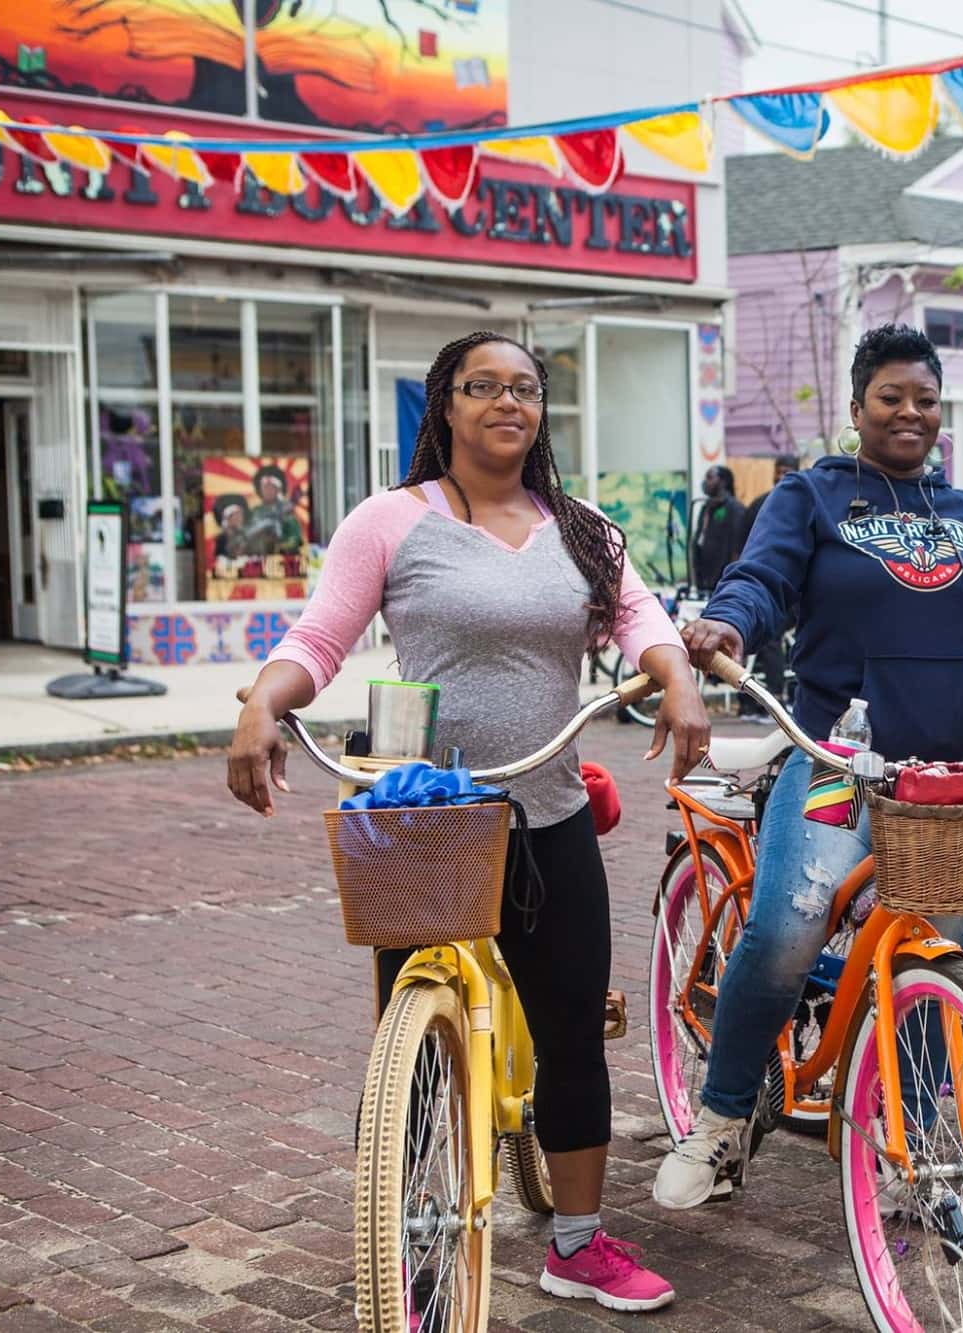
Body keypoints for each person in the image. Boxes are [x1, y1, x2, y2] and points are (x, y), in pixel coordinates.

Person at [224, 331, 707, 1315]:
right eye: (481, 385)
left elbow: (640, 618)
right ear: (443, 404)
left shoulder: (580, 528)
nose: (505, 402)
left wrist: (677, 677)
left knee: (571, 1026)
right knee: (410, 1032)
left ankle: (575, 1241)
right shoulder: (391, 521)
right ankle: (405, 1215)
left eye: (524, 388)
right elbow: (319, 636)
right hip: (425, 815)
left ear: (540, 411)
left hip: (550, 810)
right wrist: (260, 703)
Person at [653, 324, 963, 1208]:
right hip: (838, 754)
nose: (910, 412)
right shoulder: (813, 496)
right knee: (785, 934)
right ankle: (723, 1120)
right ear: (857, 408)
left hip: (947, 774)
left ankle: (913, 1149)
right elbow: (761, 580)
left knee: (940, 957)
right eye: (891, 396)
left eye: (925, 397)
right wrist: (729, 622)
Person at [737, 454, 800, 715]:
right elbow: (741, 550)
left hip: (797, 592)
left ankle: (777, 696)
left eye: (785, 471)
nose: (779, 476)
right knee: (765, 635)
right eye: (777, 471)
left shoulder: (805, 504)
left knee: (772, 637)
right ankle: (767, 699)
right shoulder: (760, 505)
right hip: (766, 590)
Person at [690, 464, 749, 596]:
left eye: (710, 477)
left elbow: (737, 549)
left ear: (723, 481)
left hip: (723, 581)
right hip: (704, 581)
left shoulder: (735, 509)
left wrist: (730, 581)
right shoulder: (706, 507)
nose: (705, 482)